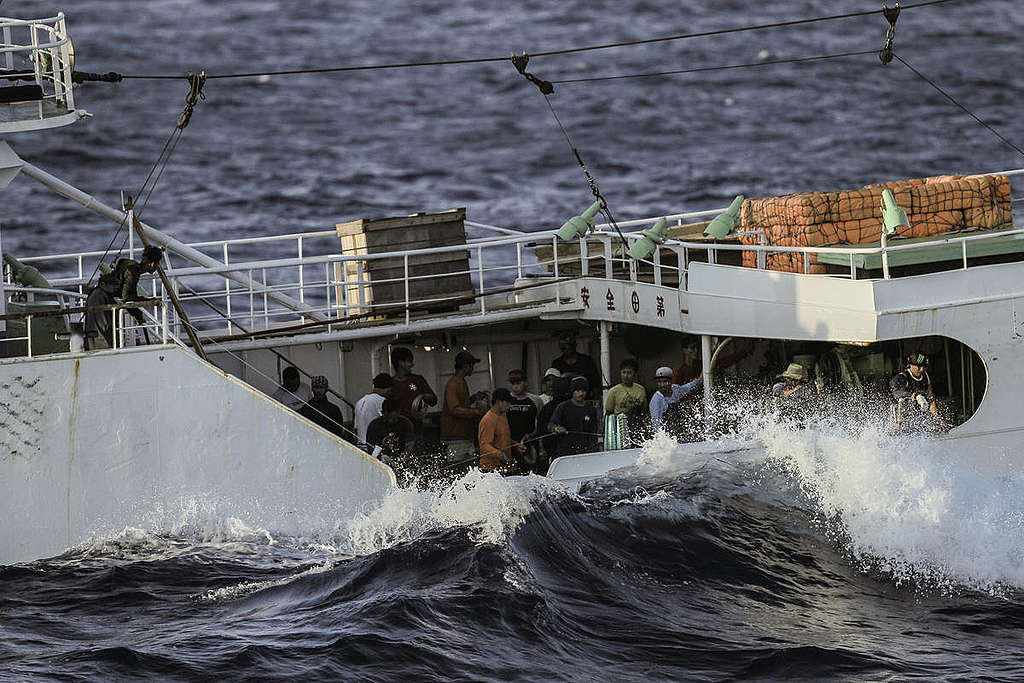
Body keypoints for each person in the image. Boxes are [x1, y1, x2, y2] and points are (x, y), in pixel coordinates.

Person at [84, 245, 163, 349]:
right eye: (158, 264)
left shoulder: (132, 268)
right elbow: (128, 298)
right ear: (152, 264)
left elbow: (130, 296)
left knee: (101, 335)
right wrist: (148, 303)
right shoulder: (132, 272)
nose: (157, 267)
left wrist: (139, 314)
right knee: (104, 337)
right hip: (100, 300)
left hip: (98, 297)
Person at [440, 350, 488, 463]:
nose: (473, 368)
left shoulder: (460, 382)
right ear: (466, 366)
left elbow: (459, 405)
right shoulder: (453, 384)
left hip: (463, 436)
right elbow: (454, 409)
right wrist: (477, 412)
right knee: (459, 469)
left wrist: (473, 398)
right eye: (472, 365)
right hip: (456, 437)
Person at [388, 346, 438, 437]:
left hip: (416, 430)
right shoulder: (390, 383)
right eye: (409, 361)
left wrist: (425, 397)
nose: (412, 364)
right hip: (397, 432)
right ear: (401, 363)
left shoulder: (418, 379)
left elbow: (434, 401)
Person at [549, 376, 601, 458]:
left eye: (583, 391)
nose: (581, 394)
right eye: (577, 391)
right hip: (566, 452)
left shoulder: (591, 410)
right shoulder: (563, 407)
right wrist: (556, 428)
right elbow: (551, 424)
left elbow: (593, 433)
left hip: (586, 452)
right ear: (572, 391)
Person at [890, 352, 944, 431]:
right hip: (899, 415)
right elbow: (896, 393)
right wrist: (915, 395)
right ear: (911, 365)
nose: (921, 369)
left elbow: (931, 398)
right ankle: (898, 428)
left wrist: (939, 420)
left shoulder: (925, 376)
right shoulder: (901, 377)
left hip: (915, 414)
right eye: (919, 367)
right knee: (902, 400)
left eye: (924, 367)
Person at [478, 387, 525, 474]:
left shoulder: (503, 416)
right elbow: (484, 445)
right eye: (507, 403)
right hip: (491, 469)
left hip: (505, 467)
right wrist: (498, 454)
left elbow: (503, 437)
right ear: (499, 402)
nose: (509, 406)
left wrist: (516, 445)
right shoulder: (488, 420)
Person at [506, 369, 541, 472]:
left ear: (525, 382)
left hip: (529, 443)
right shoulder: (506, 400)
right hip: (510, 444)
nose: (515, 386)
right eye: (512, 383)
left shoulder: (536, 400)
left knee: (531, 473)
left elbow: (541, 422)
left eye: (518, 383)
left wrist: (533, 435)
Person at [550, 331, 602, 400]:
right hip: (564, 401)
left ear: (574, 345)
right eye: (562, 348)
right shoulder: (557, 363)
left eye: (567, 346)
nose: (565, 350)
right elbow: (554, 384)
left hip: (585, 399)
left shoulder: (586, 360)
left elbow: (596, 382)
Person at [649, 366, 701, 432]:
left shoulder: (675, 389)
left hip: (679, 428)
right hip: (667, 434)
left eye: (665, 381)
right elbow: (656, 426)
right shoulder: (656, 401)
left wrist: (699, 380)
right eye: (659, 382)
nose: (662, 385)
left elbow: (687, 388)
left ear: (671, 381)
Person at [365, 398, 416, 465]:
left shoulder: (405, 423)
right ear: (382, 413)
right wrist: (380, 456)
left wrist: (404, 457)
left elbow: (410, 443)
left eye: (394, 419)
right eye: (387, 418)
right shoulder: (374, 425)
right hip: (381, 460)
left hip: (400, 458)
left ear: (398, 413)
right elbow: (371, 446)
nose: (390, 421)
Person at [537, 374, 571, 463]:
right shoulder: (548, 408)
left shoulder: (574, 406)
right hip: (554, 450)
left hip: (572, 449)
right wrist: (554, 428)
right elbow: (541, 427)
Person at [354, 373, 393, 446]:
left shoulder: (360, 401)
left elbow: (356, 428)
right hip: (374, 446)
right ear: (388, 389)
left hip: (360, 444)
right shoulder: (382, 401)